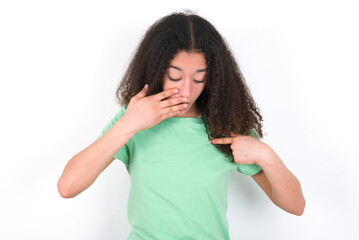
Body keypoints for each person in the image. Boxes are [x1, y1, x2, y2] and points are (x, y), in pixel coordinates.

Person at [57, 11, 306, 240]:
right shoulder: (134, 118)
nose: (186, 91)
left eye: (199, 78)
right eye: (175, 76)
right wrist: (129, 124)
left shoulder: (224, 125)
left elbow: (296, 206)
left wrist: (266, 155)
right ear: (156, 70)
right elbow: (67, 187)